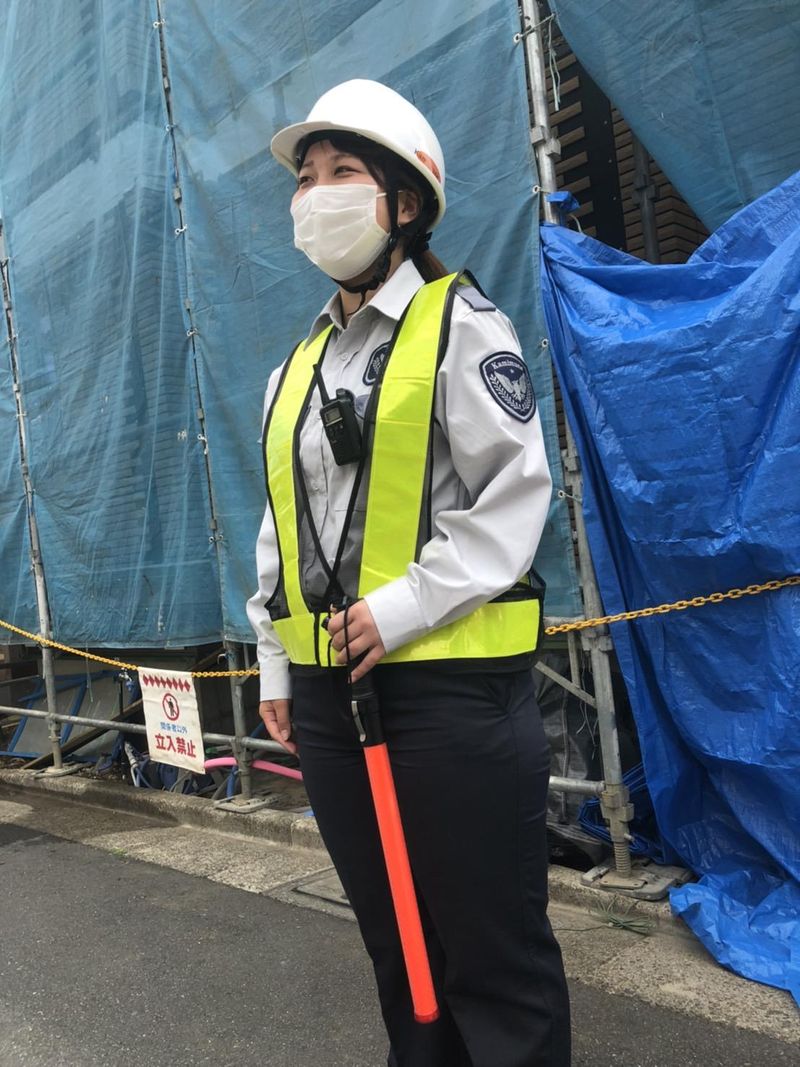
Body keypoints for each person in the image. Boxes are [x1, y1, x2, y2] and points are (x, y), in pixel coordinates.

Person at [247, 79, 571, 1067]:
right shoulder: (296, 367)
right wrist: (274, 663)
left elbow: (513, 496)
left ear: (403, 201)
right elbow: (283, 527)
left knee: (489, 957)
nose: (317, 193)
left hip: (447, 695)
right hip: (328, 701)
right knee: (399, 949)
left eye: (342, 170)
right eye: (306, 176)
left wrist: (400, 607)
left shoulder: (458, 324)